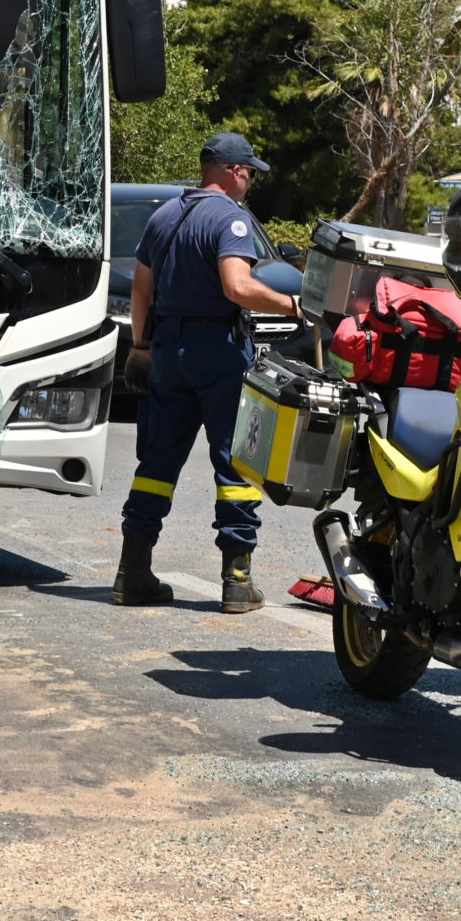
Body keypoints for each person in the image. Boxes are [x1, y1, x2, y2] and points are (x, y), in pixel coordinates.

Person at [112, 132, 298, 613]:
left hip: (168, 350)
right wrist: (289, 304)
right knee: (234, 463)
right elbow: (237, 287)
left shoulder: (163, 216)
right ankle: (237, 581)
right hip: (217, 350)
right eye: (250, 172)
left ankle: (132, 573)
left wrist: (141, 347)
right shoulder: (231, 220)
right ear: (235, 172)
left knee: (157, 463)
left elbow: (141, 292)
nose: (251, 181)